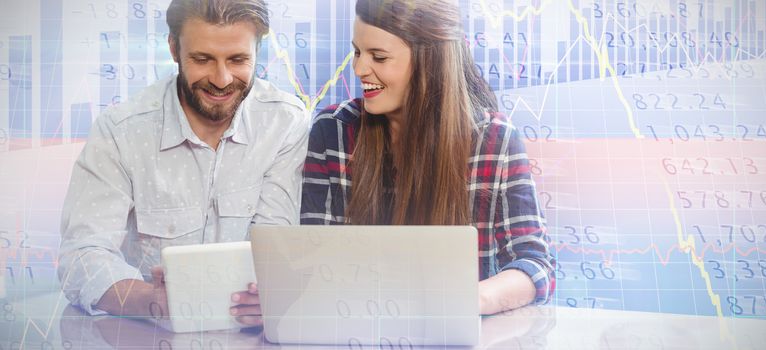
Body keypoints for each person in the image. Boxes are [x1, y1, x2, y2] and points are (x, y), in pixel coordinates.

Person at [231, 0, 554, 325]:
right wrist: (283, 297)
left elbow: (535, 266)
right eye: (358, 52)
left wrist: (473, 298)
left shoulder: (495, 141)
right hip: (355, 333)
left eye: (379, 57)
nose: (359, 69)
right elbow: (315, 261)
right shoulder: (334, 131)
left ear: (430, 59)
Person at [58, 0, 309, 317]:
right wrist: (152, 300)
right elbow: (80, 256)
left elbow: (277, 247)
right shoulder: (121, 131)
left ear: (258, 51)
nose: (221, 79)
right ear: (174, 49)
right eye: (202, 59)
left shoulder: (285, 123)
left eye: (238, 60)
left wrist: (273, 290)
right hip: (149, 336)